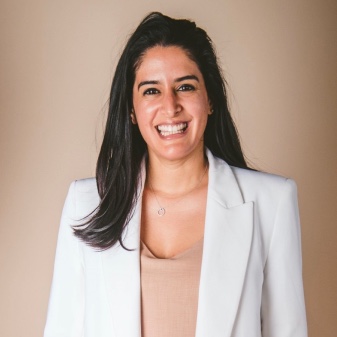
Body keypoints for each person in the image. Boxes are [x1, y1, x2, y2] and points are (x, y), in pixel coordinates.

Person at [44, 12, 307, 337]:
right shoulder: (84, 204)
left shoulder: (272, 203)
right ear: (131, 109)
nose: (170, 107)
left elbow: (288, 331)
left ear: (209, 98)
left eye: (185, 86)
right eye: (151, 91)